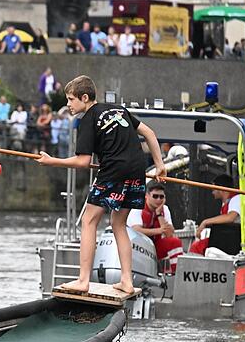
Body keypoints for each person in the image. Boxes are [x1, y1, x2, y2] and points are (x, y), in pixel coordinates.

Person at [37, 75, 166, 293]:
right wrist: (159, 164)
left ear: (84, 98)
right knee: (118, 224)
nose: (68, 104)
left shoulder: (87, 119)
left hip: (114, 171)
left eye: (70, 99)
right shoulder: (118, 110)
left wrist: (52, 161)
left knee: (89, 221)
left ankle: (83, 280)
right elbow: (149, 133)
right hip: (137, 170)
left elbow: (83, 161)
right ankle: (127, 280)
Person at [127, 181, 184, 273]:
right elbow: (136, 230)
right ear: (147, 196)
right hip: (136, 248)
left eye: (161, 197)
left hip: (155, 246)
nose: (158, 200)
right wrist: (159, 230)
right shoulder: (138, 206)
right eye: (155, 196)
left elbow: (169, 234)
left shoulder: (164, 209)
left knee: (175, 242)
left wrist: (159, 214)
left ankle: (176, 274)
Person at [189, 174, 240, 255]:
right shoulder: (225, 203)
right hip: (225, 239)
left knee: (197, 246)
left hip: (234, 240)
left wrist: (205, 222)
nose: (212, 192)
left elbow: (230, 217)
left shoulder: (237, 199)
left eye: (213, 189)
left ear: (220, 188)